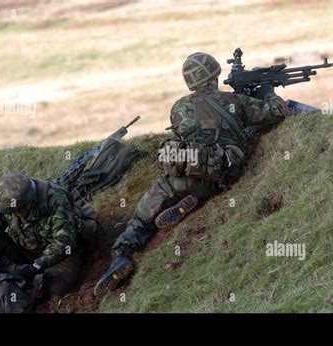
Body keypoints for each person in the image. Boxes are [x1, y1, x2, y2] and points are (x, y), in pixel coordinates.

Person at [94, 52, 289, 297]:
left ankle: (121, 256)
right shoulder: (235, 102)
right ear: (215, 75)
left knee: (141, 218)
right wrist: (268, 91)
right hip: (215, 180)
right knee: (210, 183)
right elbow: (277, 111)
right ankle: (193, 203)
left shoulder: (178, 107)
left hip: (175, 179)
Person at [0, 172, 98, 298]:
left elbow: (64, 243)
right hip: (27, 248)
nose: (17, 214)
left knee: (53, 289)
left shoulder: (55, 198)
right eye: (12, 212)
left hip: (62, 254)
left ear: (29, 200)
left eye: (20, 209)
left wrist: (35, 267)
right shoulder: (6, 202)